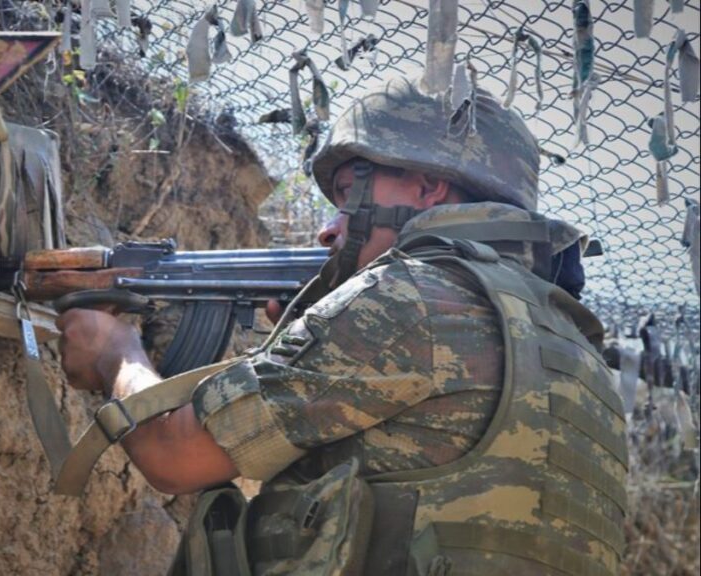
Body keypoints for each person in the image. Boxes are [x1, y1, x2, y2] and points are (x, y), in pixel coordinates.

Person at [56, 75, 628, 575]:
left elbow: (176, 456)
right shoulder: (576, 351)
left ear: (427, 186)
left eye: (350, 193)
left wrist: (113, 350)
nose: (329, 230)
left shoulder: (410, 297)